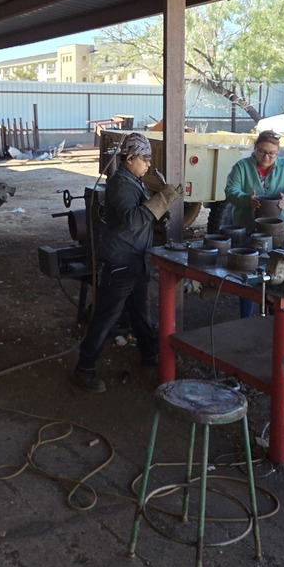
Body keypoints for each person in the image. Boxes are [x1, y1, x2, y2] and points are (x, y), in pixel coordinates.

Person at [74, 132, 182, 393]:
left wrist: (157, 216)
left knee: (140, 312)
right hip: (120, 261)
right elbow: (133, 219)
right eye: (145, 159)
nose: (148, 164)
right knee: (106, 316)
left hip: (135, 258)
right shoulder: (121, 184)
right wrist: (162, 199)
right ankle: (85, 368)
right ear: (130, 158)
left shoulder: (134, 180)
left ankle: (149, 353)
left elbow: (139, 217)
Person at [224, 129, 284, 316]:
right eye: (262, 151)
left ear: (278, 153)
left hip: (279, 234)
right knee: (249, 275)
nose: (266, 157)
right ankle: (247, 318)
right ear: (255, 149)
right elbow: (230, 191)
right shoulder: (242, 167)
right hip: (248, 232)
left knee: (279, 274)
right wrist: (246, 199)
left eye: (271, 153)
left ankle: (276, 316)